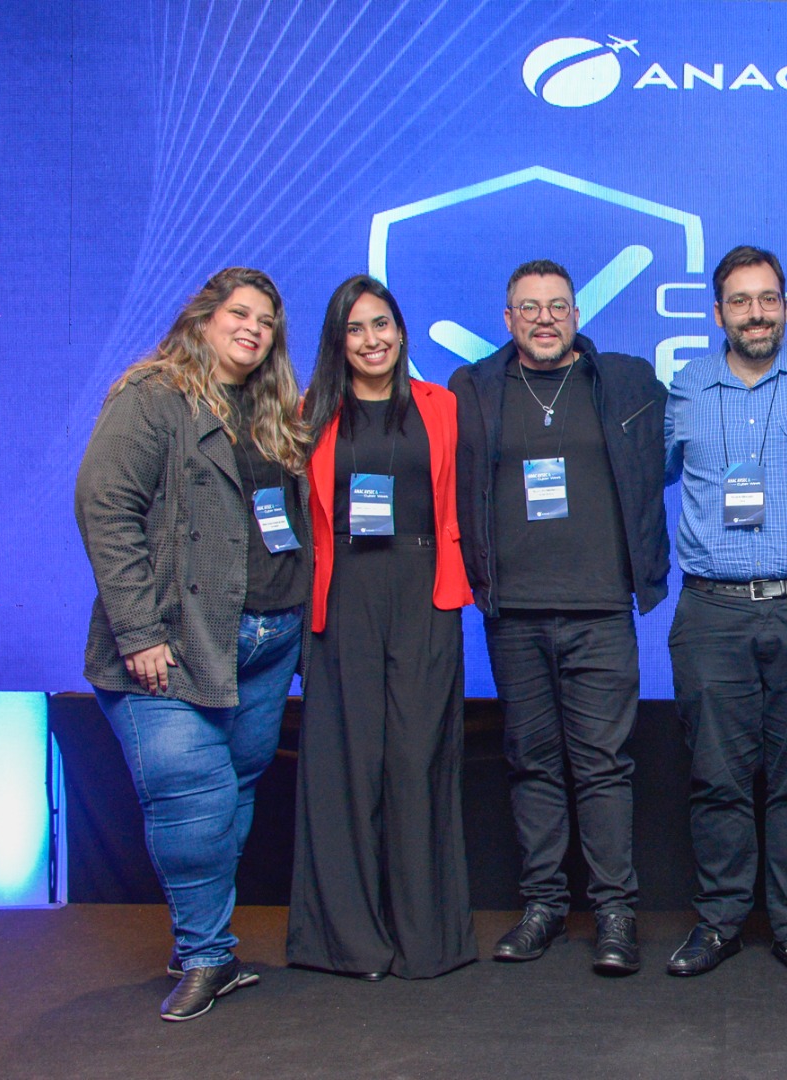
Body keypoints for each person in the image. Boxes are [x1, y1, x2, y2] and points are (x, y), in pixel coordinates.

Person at [75, 267, 310, 1021]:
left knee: (233, 793)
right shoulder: (152, 397)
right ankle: (209, 956)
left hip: (268, 641)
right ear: (203, 319)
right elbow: (105, 508)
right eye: (240, 314)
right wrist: (138, 631)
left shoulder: (272, 410)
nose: (254, 329)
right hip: (172, 645)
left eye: (267, 322)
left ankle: (199, 940)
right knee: (193, 802)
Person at [449, 260, 669, 976]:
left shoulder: (627, 380)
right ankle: (543, 906)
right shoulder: (474, 388)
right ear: (507, 319)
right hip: (513, 614)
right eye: (529, 307)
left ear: (576, 313)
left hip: (601, 610)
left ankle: (614, 914)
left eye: (557, 306)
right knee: (532, 763)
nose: (544, 318)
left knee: (603, 767)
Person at [662, 245, 787, 984]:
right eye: (741, 301)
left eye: (769, 299)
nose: (757, 314)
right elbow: (649, 471)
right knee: (715, 776)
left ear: (785, 305)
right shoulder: (687, 386)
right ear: (717, 313)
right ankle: (719, 921)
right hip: (712, 611)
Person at [285, 274, 477, 980]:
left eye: (382, 324)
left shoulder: (441, 405)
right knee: (346, 766)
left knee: (417, 762)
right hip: (344, 595)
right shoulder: (310, 413)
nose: (372, 340)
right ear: (338, 342)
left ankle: (427, 940)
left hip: (425, 591)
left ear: (400, 330)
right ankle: (349, 943)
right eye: (356, 328)